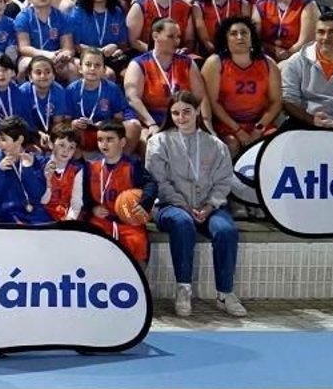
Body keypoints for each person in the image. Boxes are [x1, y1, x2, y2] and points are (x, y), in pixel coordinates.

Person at [146, 91, 247, 318]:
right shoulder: (158, 142)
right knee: (182, 224)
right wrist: (183, 205)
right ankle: (184, 289)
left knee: (226, 230)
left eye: (186, 112)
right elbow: (159, 182)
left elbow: (223, 182)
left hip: (208, 207)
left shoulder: (215, 144)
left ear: (197, 111)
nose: (181, 117)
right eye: (175, 113)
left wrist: (210, 206)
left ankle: (225, 293)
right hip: (170, 206)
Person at [202, 17, 282, 156]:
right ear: (225, 39)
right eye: (233, 33)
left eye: (244, 32)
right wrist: (238, 130)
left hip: (259, 123)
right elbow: (212, 102)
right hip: (226, 124)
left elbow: (276, 102)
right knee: (231, 145)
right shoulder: (215, 63)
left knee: (273, 145)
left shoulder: (268, 63)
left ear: (252, 37)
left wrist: (259, 128)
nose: (240, 37)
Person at [84, 120, 155, 265]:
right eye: (100, 140)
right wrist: (93, 207)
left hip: (128, 219)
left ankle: (137, 284)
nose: (104, 144)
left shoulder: (133, 166)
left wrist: (143, 203)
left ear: (122, 142)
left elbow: (151, 185)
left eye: (110, 139)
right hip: (101, 220)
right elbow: (83, 195)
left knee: (138, 243)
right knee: (91, 244)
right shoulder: (91, 168)